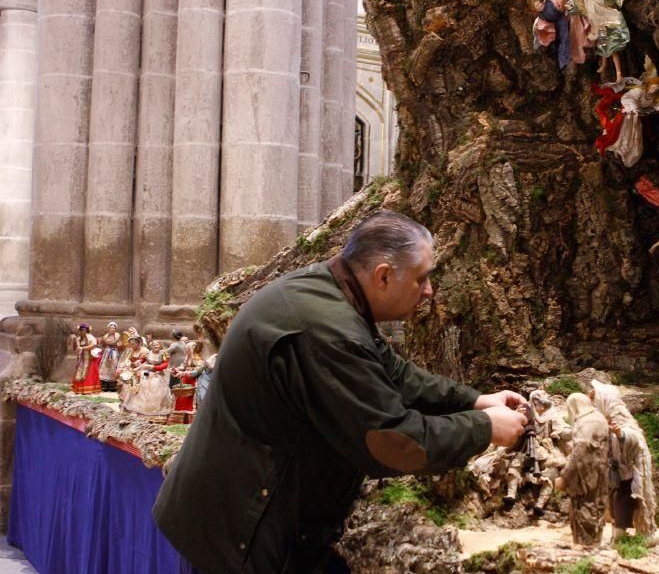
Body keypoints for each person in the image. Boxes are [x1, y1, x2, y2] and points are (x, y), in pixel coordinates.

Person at [153, 211, 529, 573]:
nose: (429, 291)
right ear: (383, 276)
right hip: (242, 532)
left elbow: (392, 372)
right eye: (421, 279)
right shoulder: (326, 330)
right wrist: (483, 428)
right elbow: (392, 442)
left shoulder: (331, 290)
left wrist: (474, 400)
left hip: (236, 512)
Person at [589, 380, 657, 538]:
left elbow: (635, 439)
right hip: (615, 471)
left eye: (595, 400)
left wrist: (620, 435)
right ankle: (618, 535)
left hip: (630, 472)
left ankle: (622, 537)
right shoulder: (603, 417)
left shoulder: (620, 417)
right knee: (614, 502)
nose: (594, 404)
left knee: (624, 502)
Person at [555, 393, 609, 546]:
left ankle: (584, 553)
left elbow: (580, 450)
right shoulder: (600, 417)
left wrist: (565, 476)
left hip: (585, 477)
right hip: (601, 471)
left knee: (583, 512)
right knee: (597, 510)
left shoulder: (584, 422)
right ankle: (595, 548)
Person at [71, 324, 101, 395]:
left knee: (89, 373)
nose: (82, 332)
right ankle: (79, 389)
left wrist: (83, 348)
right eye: (81, 330)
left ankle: (88, 388)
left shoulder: (90, 337)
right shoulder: (79, 338)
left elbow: (93, 345)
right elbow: (76, 347)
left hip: (89, 358)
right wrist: (74, 342)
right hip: (81, 358)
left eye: (84, 330)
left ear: (87, 330)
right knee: (79, 371)